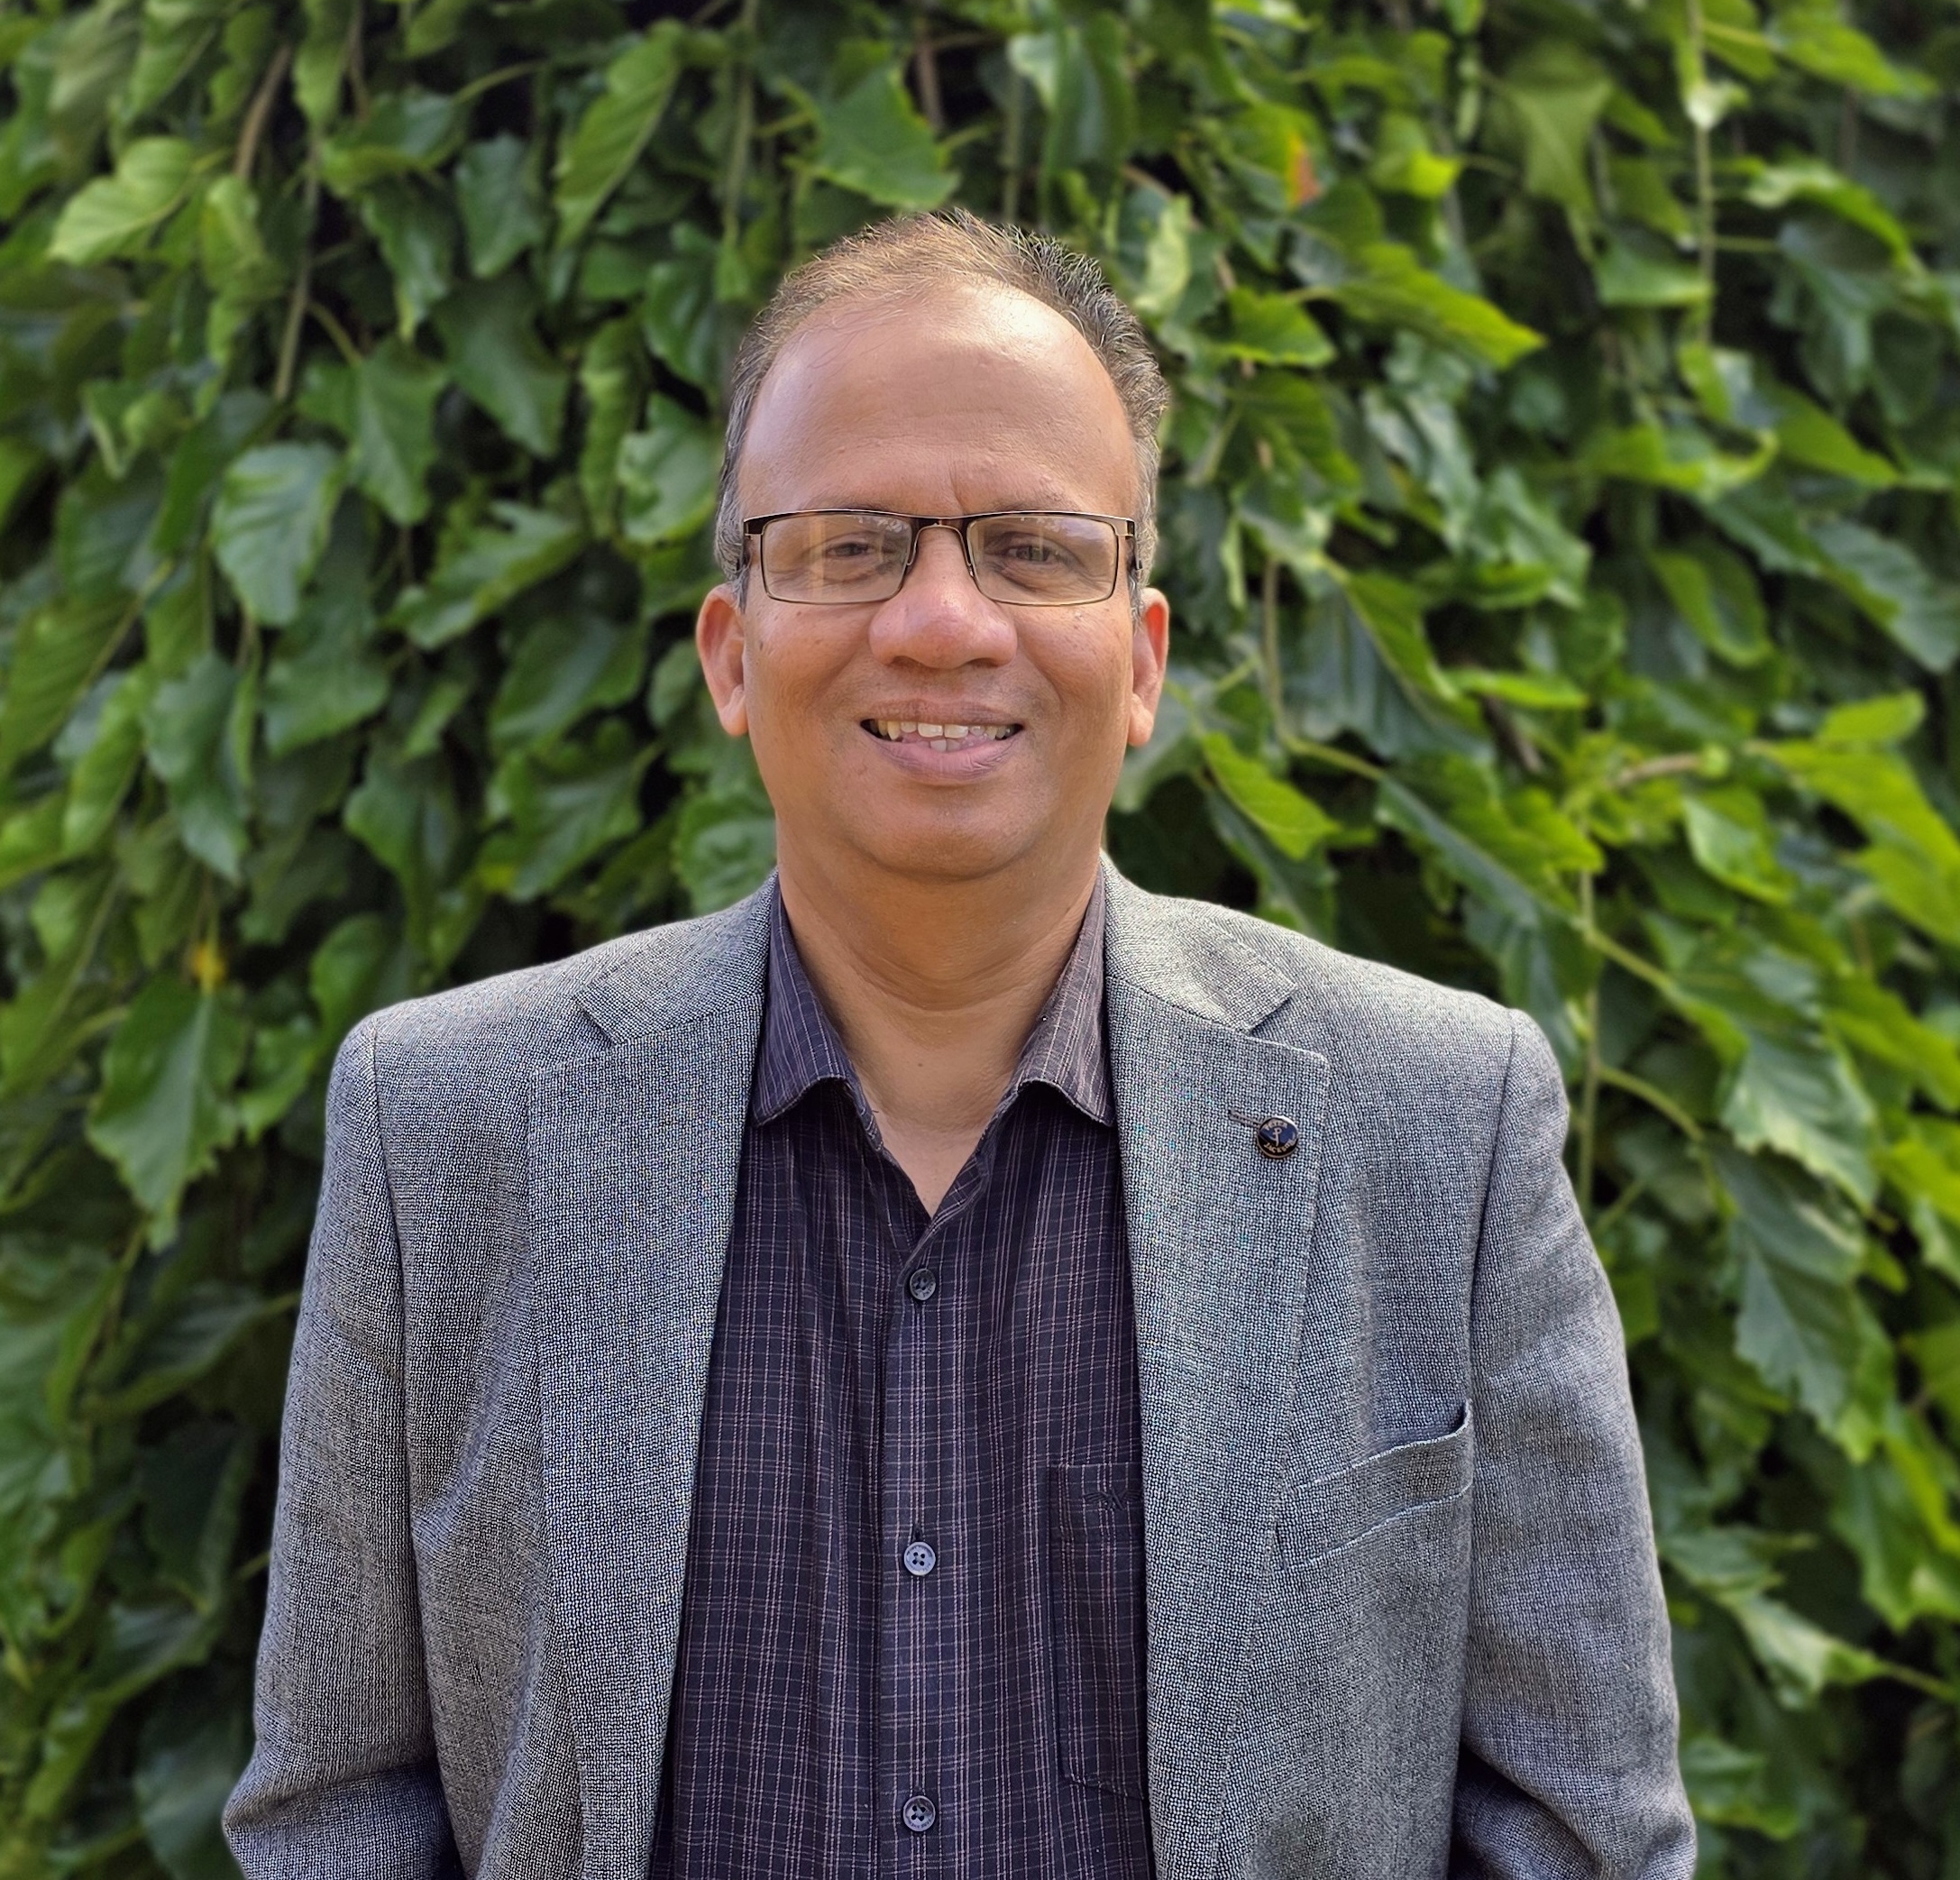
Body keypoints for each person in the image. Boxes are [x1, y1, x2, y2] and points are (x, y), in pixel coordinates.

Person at [224, 209, 1694, 1879]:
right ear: (730, 651)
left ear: (1138, 660)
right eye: (848, 544)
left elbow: (1579, 1830)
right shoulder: (446, 1128)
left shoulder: (1438, 1120)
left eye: (1033, 546)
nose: (939, 620)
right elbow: (337, 1818)